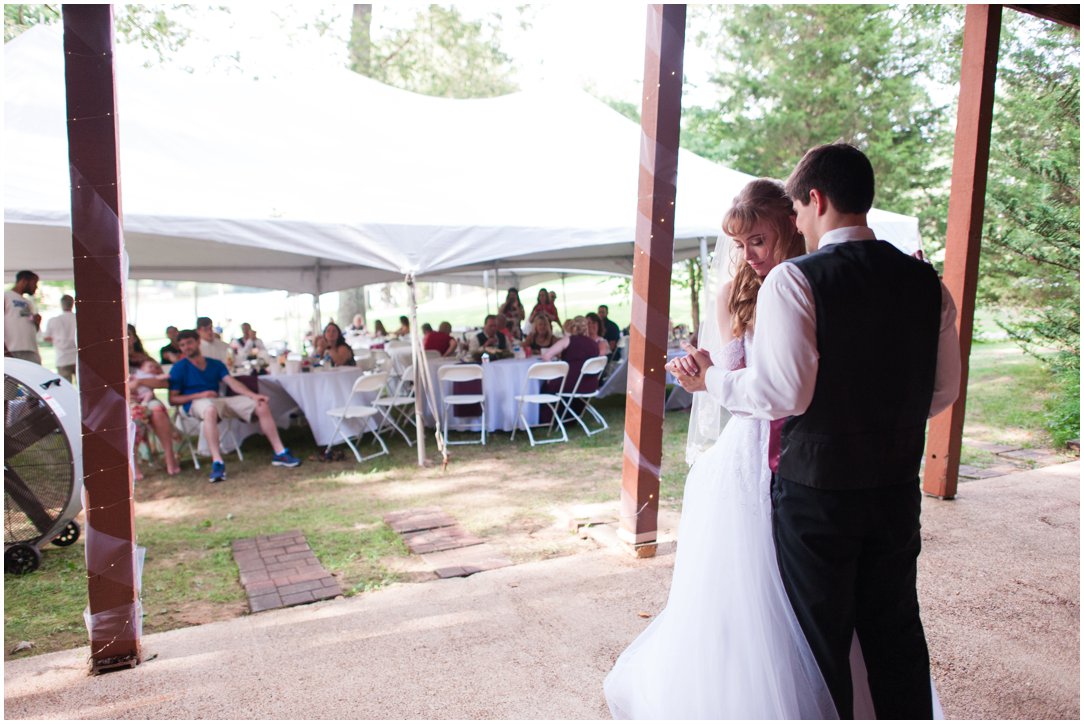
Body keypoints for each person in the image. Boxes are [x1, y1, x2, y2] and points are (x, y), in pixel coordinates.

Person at [681, 148, 959, 717]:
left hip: (817, 493)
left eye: (799, 209)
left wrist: (712, 379)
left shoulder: (794, 280)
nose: (798, 223)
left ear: (816, 200)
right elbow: (941, 391)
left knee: (819, 639)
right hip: (895, 488)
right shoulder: (926, 281)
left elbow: (783, 394)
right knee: (895, 629)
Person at [605, 178, 833, 718]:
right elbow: (727, 381)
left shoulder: (813, 281)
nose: (748, 254)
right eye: (740, 244)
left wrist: (718, 379)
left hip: (798, 443)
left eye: (758, 239)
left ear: (790, 229)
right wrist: (698, 375)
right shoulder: (735, 293)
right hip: (747, 446)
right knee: (742, 585)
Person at [169, 329, 300, 483]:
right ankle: (217, 462)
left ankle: (280, 452)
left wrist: (254, 395)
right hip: (196, 404)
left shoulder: (215, 364)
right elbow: (173, 399)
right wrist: (201, 395)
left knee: (260, 404)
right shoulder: (179, 368)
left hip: (219, 400)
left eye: (189, 342)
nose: (186, 347)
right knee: (210, 410)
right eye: (182, 345)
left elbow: (233, 383)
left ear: (198, 342)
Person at [128, 357, 181, 477]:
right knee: (135, 417)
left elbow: (163, 382)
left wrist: (140, 382)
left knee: (158, 410)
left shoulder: (144, 358)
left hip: (148, 399)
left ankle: (169, 457)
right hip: (128, 402)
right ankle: (133, 464)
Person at [5, 270, 41, 363]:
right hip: (12, 349)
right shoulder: (6, 296)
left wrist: (37, 323)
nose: (36, 287)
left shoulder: (28, 302)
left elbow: (31, 328)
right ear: (24, 281)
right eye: (34, 283)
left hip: (31, 349)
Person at [44, 294, 77, 382]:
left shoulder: (54, 320)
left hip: (62, 358)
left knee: (66, 388)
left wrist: (58, 340)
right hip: (76, 357)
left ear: (61, 304)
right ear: (72, 303)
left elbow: (46, 337)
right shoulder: (78, 318)